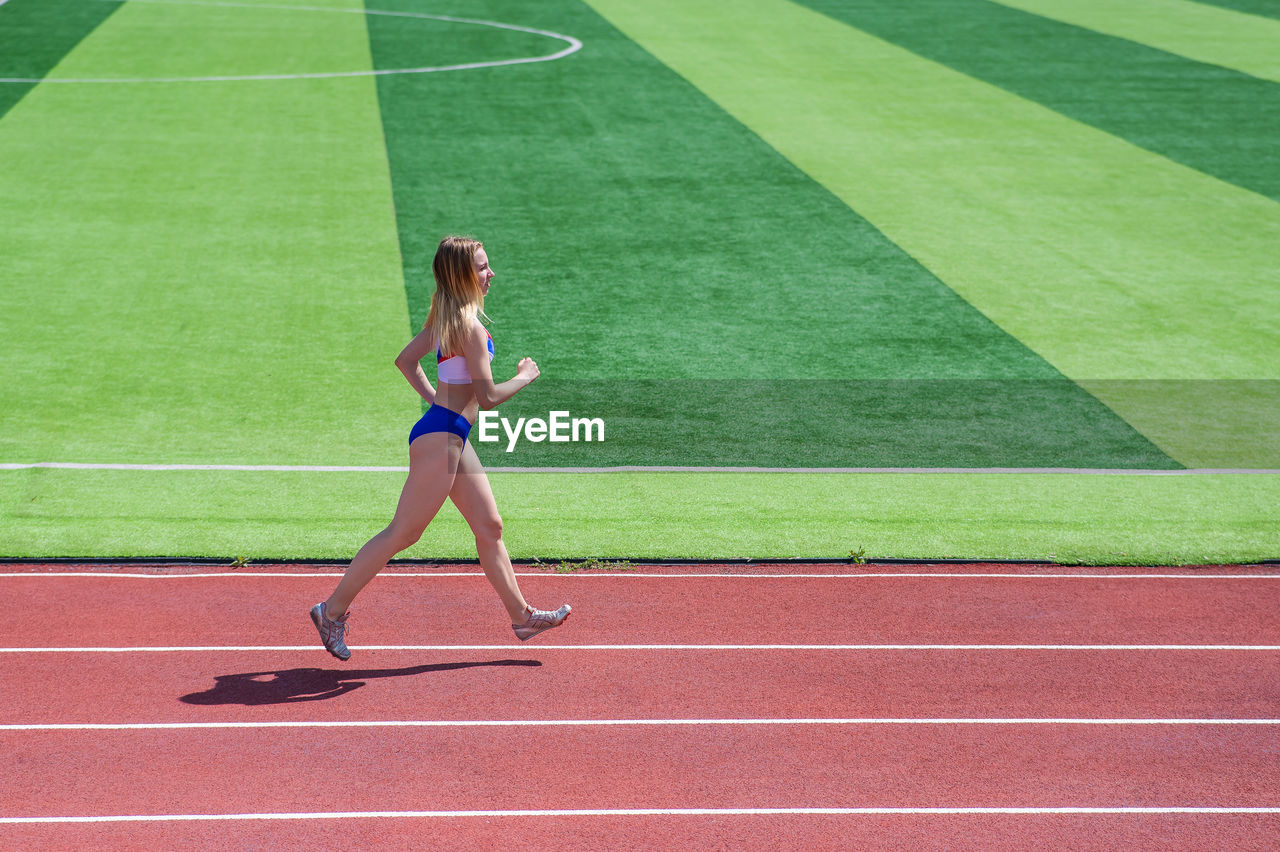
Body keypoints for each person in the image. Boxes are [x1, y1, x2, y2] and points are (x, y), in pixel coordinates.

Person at [310, 235, 570, 661]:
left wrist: (437, 404)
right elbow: (486, 396)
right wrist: (525, 376)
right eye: (483, 267)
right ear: (462, 274)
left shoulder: (448, 317)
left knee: (490, 526)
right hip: (442, 436)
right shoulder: (466, 325)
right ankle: (331, 611)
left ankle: (522, 618)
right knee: (404, 532)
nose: (491, 274)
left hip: (449, 432)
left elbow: (404, 361)